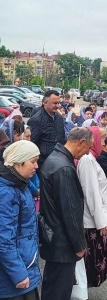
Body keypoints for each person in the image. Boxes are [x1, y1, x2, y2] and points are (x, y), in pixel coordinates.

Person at [40, 127, 93, 300]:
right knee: (58, 290)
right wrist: (79, 245)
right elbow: (70, 210)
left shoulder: (56, 159)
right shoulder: (64, 168)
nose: (86, 154)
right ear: (81, 142)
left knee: (53, 284)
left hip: (54, 237)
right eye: (88, 148)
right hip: (62, 242)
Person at [0, 140, 41, 299]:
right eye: (33, 162)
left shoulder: (19, 183)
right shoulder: (6, 193)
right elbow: (4, 239)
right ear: (18, 162)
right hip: (15, 275)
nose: (36, 166)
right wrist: (18, 274)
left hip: (25, 264)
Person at [77, 126, 107, 287]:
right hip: (93, 222)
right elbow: (91, 193)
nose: (104, 143)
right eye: (102, 139)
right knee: (92, 262)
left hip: (98, 218)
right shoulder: (87, 160)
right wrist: (102, 221)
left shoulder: (91, 158)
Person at [27, 90, 65, 171]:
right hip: (43, 164)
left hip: (58, 161)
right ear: (44, 102)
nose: (57, 106)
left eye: (58, 103)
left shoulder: (59, 117)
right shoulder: (36, 120)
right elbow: (32, 144)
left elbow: (62, 138)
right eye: (54, 103)